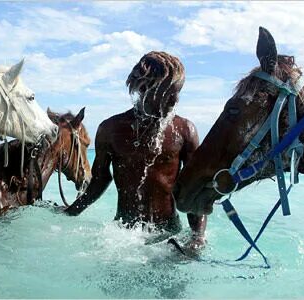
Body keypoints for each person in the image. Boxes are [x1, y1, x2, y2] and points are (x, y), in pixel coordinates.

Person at [63, 51, 207, 254]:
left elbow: (194, 190)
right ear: (144, 89)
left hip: (169, 235)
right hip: (123, 236)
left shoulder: (184, 130)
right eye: (169, 93)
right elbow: (100, 181)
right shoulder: (110, 129)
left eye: (178, 93)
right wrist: (69, 213)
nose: (175, 101)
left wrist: (198, 237)